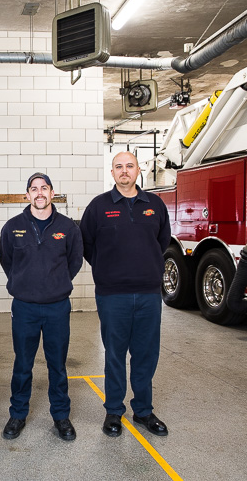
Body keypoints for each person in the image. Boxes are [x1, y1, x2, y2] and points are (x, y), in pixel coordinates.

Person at [79, 151, 171, 438]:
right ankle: (114, 411)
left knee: (146, 354)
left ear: (138, 170)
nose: (124, 171)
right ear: (112, 172)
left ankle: (143, 411)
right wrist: (110, 270)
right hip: (112, 294)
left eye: (129, 166)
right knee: (115, 355)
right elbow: (87, 245)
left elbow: (162, 241)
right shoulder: (98, 207)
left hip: (148, 294)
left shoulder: (155, 205)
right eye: (119, 167)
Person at [0, 172, 83, 442]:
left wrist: (55, 283)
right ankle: (18, 413)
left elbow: (75, 262)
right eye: (34, 189)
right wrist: (24, 284)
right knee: (22, 364)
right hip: (24, 308)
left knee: (57, 365)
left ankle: (61, 416)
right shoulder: (13, 227)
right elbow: (6, 261)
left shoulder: (68, 227)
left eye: (44, 188)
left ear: (52, 192)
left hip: (58, 307)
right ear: (27, 195)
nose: (39, 193)